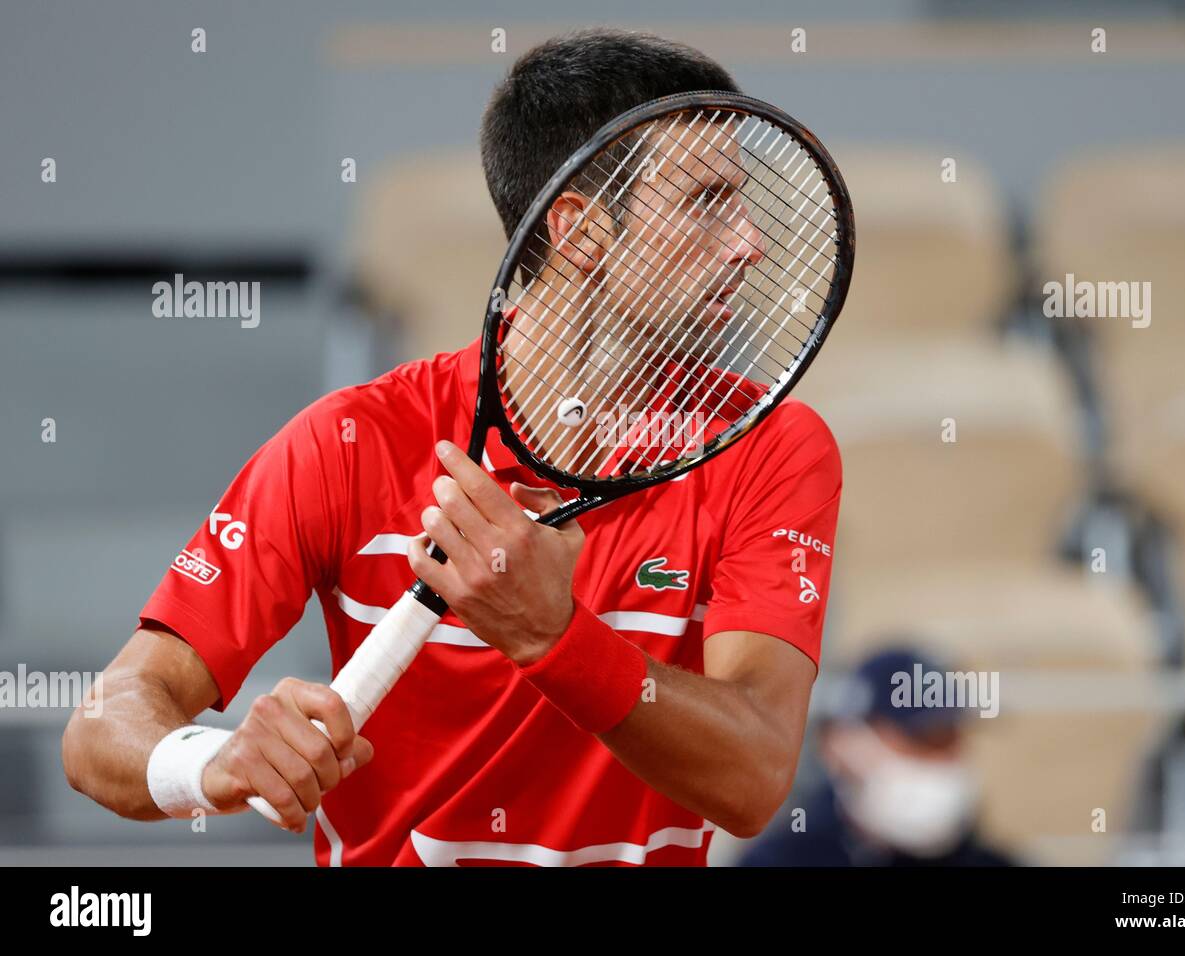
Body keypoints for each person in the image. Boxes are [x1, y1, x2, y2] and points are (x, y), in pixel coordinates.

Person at [60, 28, 842, 867]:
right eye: (708, 202)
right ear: (581, 235)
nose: (751, 243)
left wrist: (555, 638)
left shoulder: (770, 449)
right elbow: (100, 726)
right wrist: (210, 762)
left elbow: (756, 775)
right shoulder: (350, 442)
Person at [741, 646, 1016, 867]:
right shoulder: (780, 860)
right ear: (841, 744)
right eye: (922, 739)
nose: (941, 761)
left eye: (951, 741)